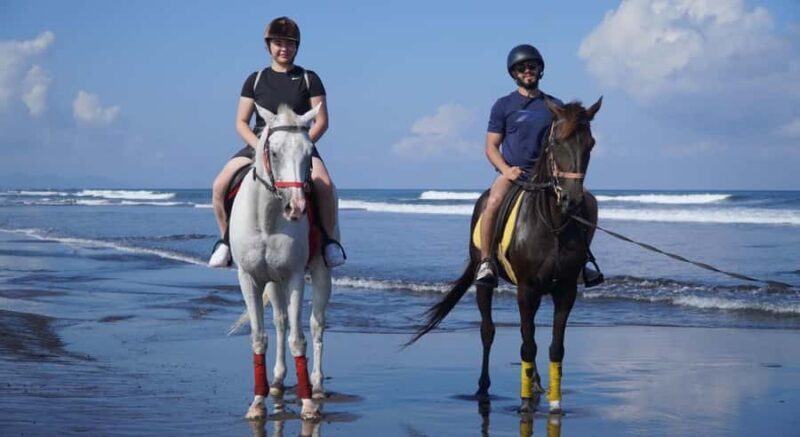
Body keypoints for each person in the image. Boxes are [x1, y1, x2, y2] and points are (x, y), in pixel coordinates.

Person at [209, 16, 345, 268]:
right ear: (269, 45)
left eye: (290, 44)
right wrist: (261, 148)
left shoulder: (309, 78)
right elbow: (241, 122)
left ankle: (329, 242)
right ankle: (226, 241)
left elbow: (322, 121)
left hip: (299, 146)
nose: (284, 48)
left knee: (325, 185)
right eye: (278, 43)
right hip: (258, 144)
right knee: (219, 185)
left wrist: (301, 148)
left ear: (297, 47)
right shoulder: (255, 79)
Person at [474, 44, 601, 287]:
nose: (527, 71)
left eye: (531, 66)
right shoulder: (504, 105)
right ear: (514, 73)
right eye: (521, 68)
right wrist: (506, 170)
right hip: (515, 173)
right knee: (492, 203)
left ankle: (582, 261)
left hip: (550, 176)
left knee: (588, 202)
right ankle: (487, 261)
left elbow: (567, 142)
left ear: (540, 70)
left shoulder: (555, 105)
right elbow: (491, 146)